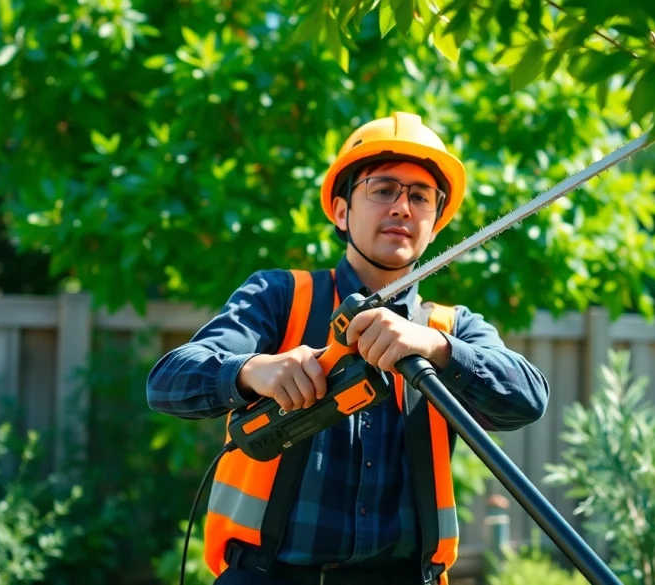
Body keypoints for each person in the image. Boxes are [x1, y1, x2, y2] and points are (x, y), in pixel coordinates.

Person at [146, 112, 550, 585]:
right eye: (383, 189)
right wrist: (254, 370)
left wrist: (436, 347)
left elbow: (528, 399)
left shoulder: (452, 328)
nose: (402, 207)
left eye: (420, 197)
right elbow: (168, 380)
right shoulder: (278, 297)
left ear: (436, 224)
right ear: (341, 211)